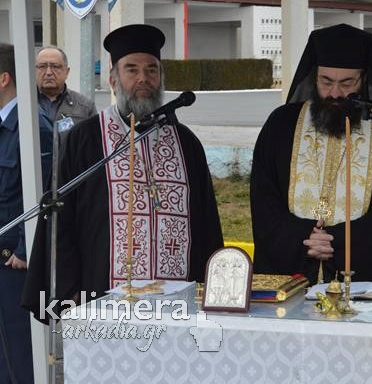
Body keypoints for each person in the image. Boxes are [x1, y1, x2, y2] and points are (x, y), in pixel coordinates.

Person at [23, 25, 224, 316]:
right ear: (113, 80)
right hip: (101, 295)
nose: (143, 78)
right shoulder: (86, 138)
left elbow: (207, 224)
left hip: (179, 302)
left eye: (152, 70)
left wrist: (212, 287)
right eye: (132, 70)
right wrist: (68, 291)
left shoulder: (186, 143)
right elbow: (61, 220)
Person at [250, 24, 372, 291]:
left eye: (347, 83)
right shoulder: (281, 125)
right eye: (326, 82)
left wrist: (339, 242)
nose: (335, 94)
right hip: (291, 275)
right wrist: (303, 237)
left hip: (361, 279)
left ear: (364, 80)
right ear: (313, 77)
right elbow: (263, 198)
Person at [0, 43, 52, 383]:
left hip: (14, 264)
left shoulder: (33, 126)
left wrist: (23, 248)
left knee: (18, 356)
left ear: (3, 78)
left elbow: (43, 193)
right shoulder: (6, 123)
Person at [35, 46, 96, 125]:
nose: (48, 72)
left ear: (66, 72)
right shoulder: (23, 104)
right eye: (42, 66)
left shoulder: (85, 106)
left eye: (55, 66)